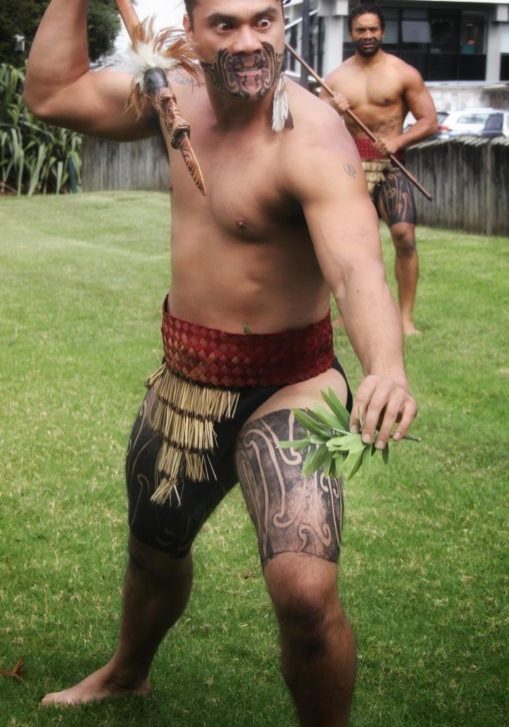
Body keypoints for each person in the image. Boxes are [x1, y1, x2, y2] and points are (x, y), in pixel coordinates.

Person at [24, 1, 417, 724]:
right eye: (225, 24)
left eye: (263, 21)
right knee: (153, 554)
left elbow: (358, 266)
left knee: (304, 597)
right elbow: (51, 95)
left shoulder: (311, 137)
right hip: (189, 385)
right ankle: (126, 672)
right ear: (194, 29)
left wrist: (385, 366)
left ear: (284, 25)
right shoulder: (172, 95)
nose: (247, 42)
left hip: (291, 384)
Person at [321, 2, 438, 336]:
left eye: (373, 29)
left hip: (391, 164)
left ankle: (405, 319)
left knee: (404, 236)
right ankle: (346, 313)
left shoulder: (402, 73)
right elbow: (315, 125)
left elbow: (429, 121)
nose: (368, 35)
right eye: (361, 30)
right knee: (347, 244)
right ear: (351, 33)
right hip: (349, 167)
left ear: (382, 32)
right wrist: (331, 106)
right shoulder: (336, 78)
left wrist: (400, 141)